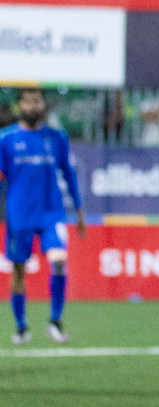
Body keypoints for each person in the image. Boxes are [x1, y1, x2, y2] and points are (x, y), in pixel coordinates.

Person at [1, 89, 85, 344]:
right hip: (19, 216)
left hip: (52, 214)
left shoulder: (56, 138)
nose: (33, 105)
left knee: (59, 260)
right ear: (20, 106)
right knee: (18, 270)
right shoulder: (6, 139)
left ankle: (55, 321)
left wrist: (79, 211)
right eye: (28, 101)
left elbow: (68, 174)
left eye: (37, 100)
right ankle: (21, 326)